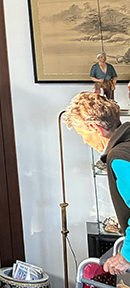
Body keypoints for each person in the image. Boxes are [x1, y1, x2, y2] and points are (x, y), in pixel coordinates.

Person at [63, 92, 130, 275]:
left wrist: (126, 256)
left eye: (82, 134)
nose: (85, 140)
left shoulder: (119, 157)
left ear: (95, 128)